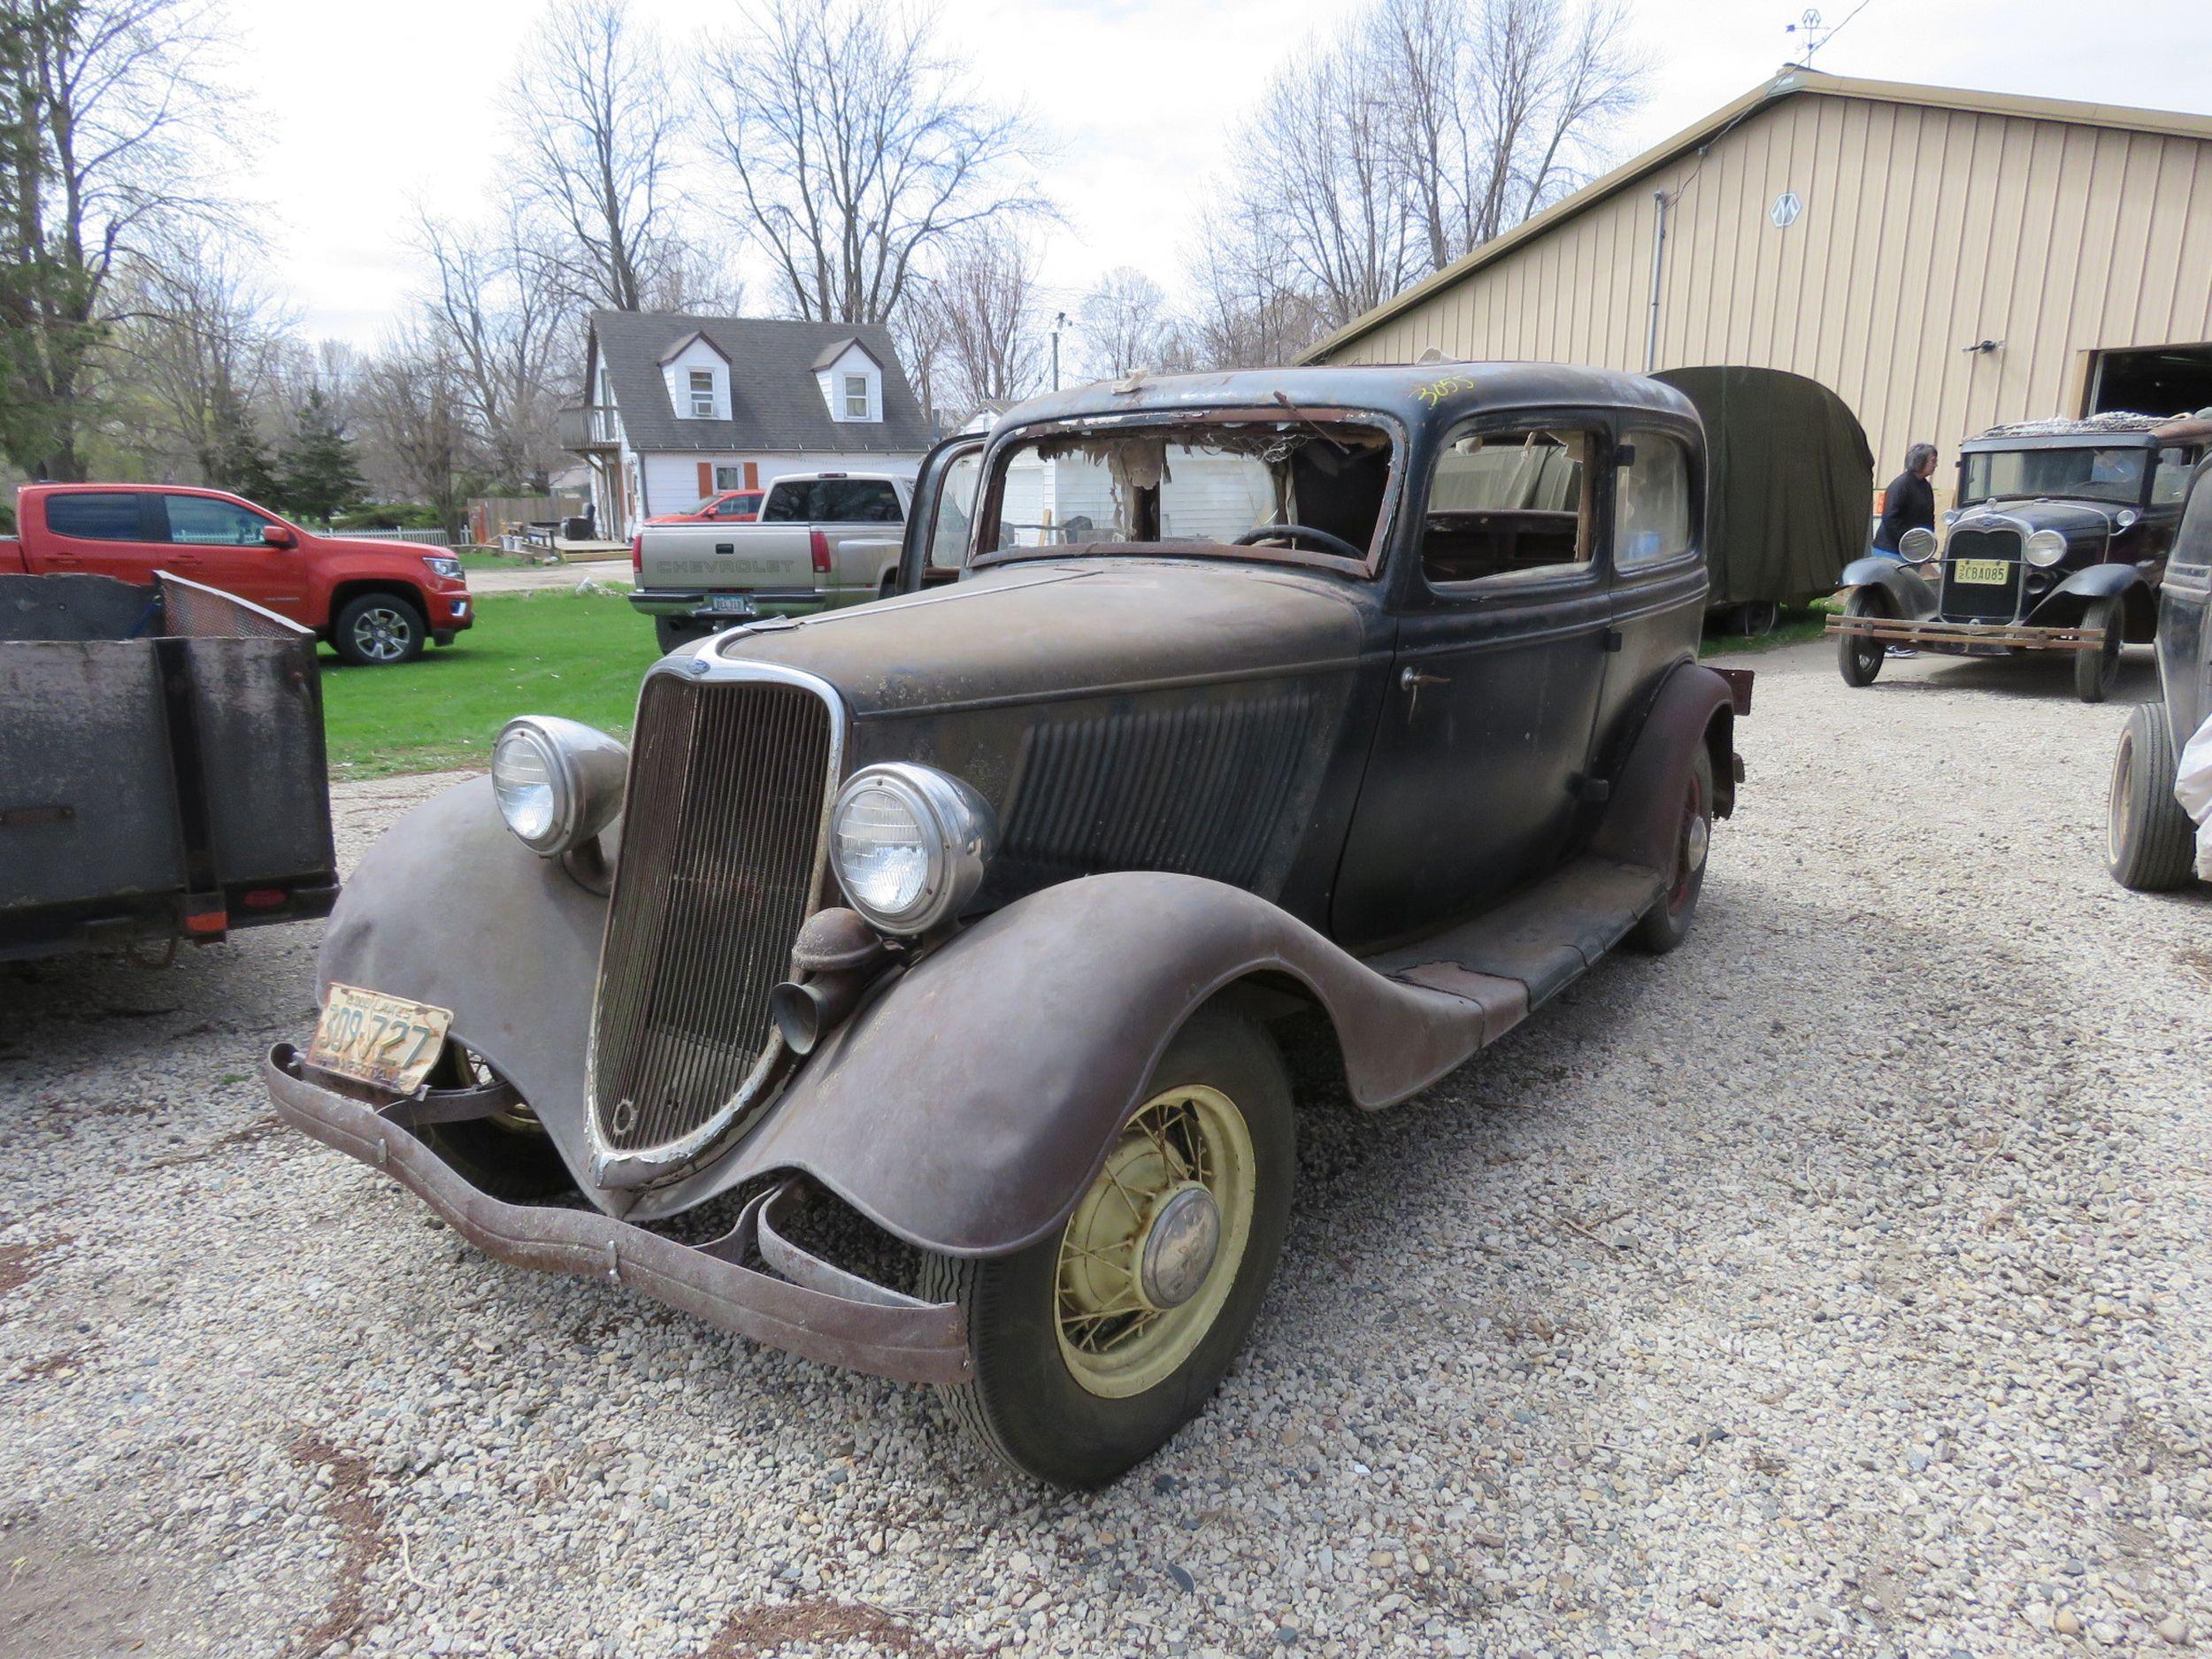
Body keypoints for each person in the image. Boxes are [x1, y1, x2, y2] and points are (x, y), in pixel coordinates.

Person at [1874, 442, 1939, 657]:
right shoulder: (1900, 485)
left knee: (1910, 596)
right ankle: (1891, 642)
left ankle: (1901, 638)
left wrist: (1926, 543)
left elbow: (1928, 517)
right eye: (1933, 460)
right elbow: (1890, 518)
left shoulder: (1924, 486)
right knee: (1895, 596)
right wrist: (1908, 543)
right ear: (1920, 462)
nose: (1936, 464)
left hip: (1915, 551)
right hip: (1892, 550)